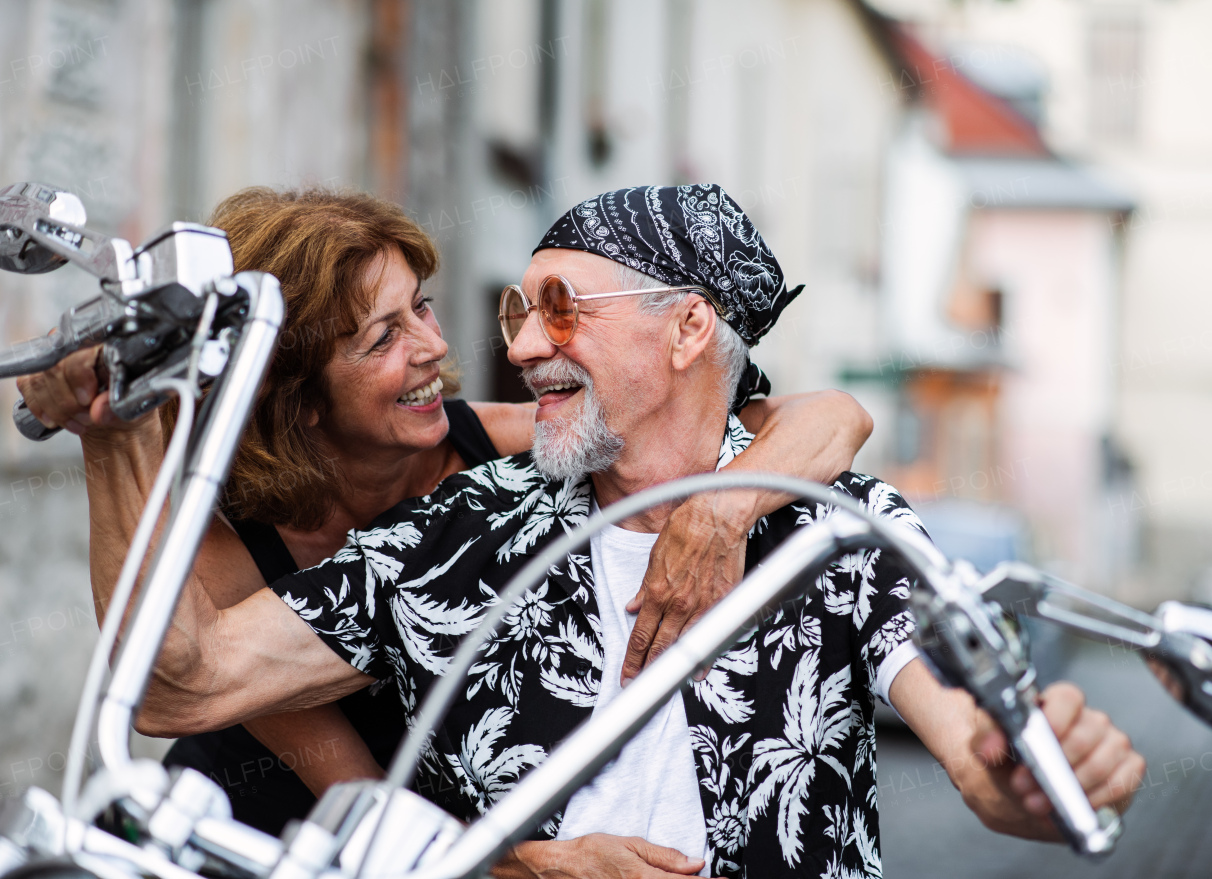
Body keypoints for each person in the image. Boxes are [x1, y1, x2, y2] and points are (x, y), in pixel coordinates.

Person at [121, 184, 1141, 879]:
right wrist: (111, 429)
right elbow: (183, 683)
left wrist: (1027, 771)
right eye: (520, 310)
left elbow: (972, 747)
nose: (516, 345)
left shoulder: (833, 524)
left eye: (560, 311)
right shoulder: (465, 528)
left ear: (687, 329)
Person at [16, 187, 875, 836]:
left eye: (420, 305)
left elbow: (830, 417)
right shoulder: (229, 526)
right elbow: (265, 737)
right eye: (383, 337)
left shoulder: (502, 453)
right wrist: (109, 434)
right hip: (290, 826)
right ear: (298, 397)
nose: (435, 346)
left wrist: (720, 511)